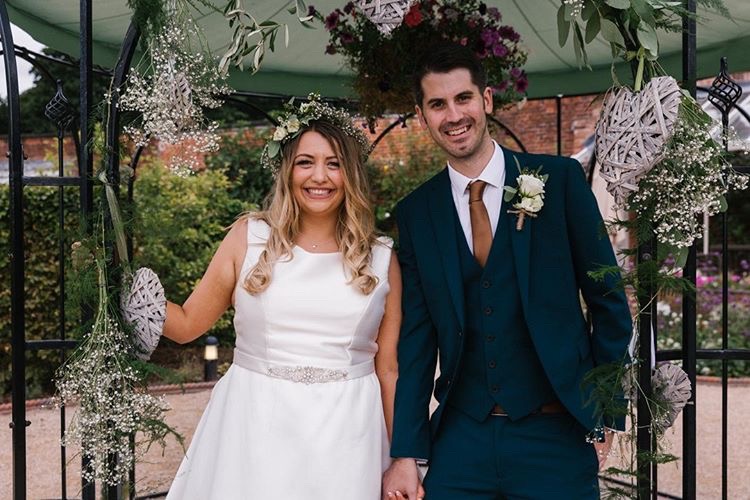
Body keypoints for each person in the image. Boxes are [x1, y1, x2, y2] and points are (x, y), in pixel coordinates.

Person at [382, 43, 633, 499]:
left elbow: (608, 300)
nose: (453, 115)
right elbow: (417, 340)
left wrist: (606, 410)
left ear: (487, 100)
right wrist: (405, 453)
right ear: (423, 117)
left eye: (463, 98)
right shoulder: (417, 213)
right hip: (462, 439)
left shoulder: (558, 182)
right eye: (438, 104)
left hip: (554, 435)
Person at [160, 97, 401, 499]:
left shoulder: (381, 257)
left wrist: (404, 458)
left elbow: (389, 370)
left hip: (349, 436)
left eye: (334, 163)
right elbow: (186, 325)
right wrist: (116, 284)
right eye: (305, 161)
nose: (319, 176)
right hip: (254, 425)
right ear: (287, 170)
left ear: (351, 175)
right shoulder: (248, 238)